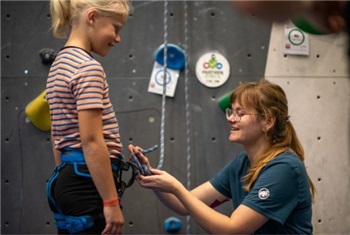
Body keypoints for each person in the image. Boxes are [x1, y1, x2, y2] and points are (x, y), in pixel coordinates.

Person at [129, 79, 316, 234]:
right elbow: (184, 204)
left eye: (240, 113)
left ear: (268, 121)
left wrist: (176, 187)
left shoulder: (284, 168)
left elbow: (232, 230)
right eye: (231, 111)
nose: (230, 118)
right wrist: (150, 175)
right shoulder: (242, 164)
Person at [46, 0, 132, 234]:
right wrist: (111, 203)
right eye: (115, 28)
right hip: (86, 183)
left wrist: (68, 174)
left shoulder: (59, 65)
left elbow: (58, 133)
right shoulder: (88, 68)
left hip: (66, 179)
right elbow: (92, 141)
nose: (117, 38)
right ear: (92, 17)